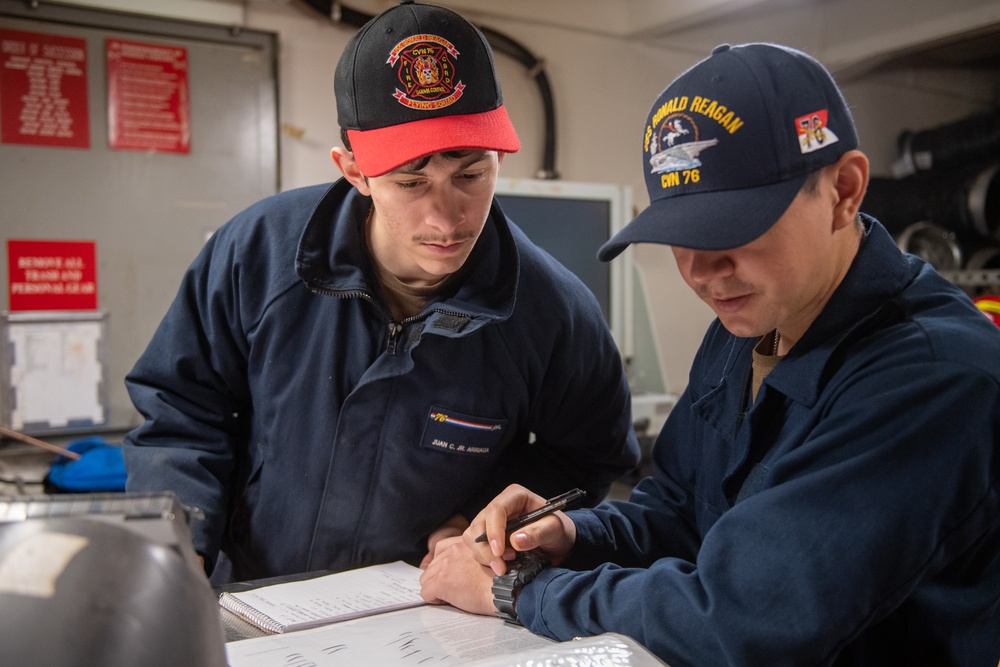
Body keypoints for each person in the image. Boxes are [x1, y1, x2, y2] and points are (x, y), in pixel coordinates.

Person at [419, 43, 1000, 666]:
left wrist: (516, 590)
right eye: (680, 235)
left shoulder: (934, 376)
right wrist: (571, 535)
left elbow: (747, 615)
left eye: (733, 228)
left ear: (844, 191)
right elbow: (680, 511)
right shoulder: (749, 321)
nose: (703, 272)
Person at [122, 0, 639, 584]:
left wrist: (476, 520)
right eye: (411, 182)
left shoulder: (553, 313)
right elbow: (181, 409)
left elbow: (590, 457)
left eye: (471, 175)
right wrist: (180, 543)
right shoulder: (260, 253)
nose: (446, 219)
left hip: (426, 618)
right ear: (353, 169)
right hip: (248, 597)